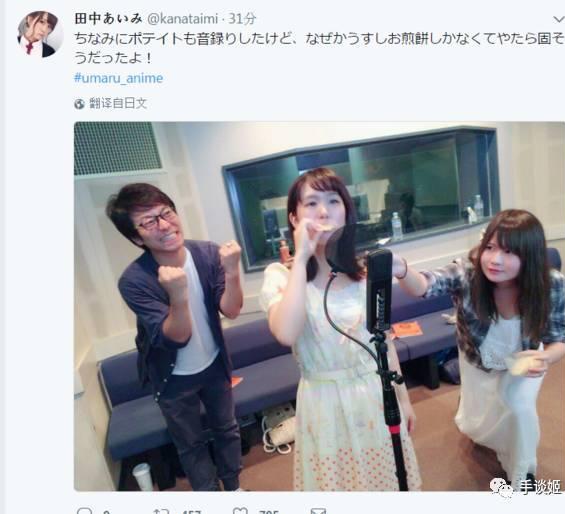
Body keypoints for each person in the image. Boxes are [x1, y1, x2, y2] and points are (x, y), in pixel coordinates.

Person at [260, 168, 421, 491]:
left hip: (375, 396)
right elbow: (286, 333)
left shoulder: (364, 272)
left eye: (334, 201)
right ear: (294, 218)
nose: (324, 211)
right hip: (324, 403)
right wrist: (301, 256)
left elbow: (384, 341)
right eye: (311, 203)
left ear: (346, 211)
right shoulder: (281, 276)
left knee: (385, 481)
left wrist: (402, 399)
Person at [392, 209, 565, 491]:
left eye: (509, 252)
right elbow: (424, 285)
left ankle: (523, 475)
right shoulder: (468, 273)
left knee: (518, 408)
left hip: (523, 360)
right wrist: (401, 268)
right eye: (490, 247)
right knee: (481, 418)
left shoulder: (552, 283)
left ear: (530, 255)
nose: (495, 259)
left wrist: (545, 357)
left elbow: (560, 339)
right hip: (478, 357)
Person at [106, 183, 244, 491]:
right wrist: (178, 295)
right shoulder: (134, 281)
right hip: (173, 379)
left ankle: (234, 489)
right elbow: (177, 338)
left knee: (227, 429)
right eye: (149, 221)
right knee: (190, 445)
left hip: (214, 363)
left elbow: (231, 310)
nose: (165, 225)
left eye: (166, 212)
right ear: (136, 238)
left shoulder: (207, 253)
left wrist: (233, 272)